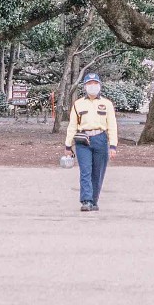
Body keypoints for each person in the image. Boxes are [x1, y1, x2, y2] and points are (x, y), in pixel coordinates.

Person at [61, 72, 118, 212]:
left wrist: (113, 145)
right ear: (85, 86)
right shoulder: (78, 104)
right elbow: (72, 125)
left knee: (98, 172)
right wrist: (68, 145)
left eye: (95, 84)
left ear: (99, 85)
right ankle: (86, 200)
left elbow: (112, 125)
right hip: (83, 140)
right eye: (89, 84)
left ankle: (94, 200)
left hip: (100, 138)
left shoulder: (107, 104)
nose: (92, 87)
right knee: (85, 171)